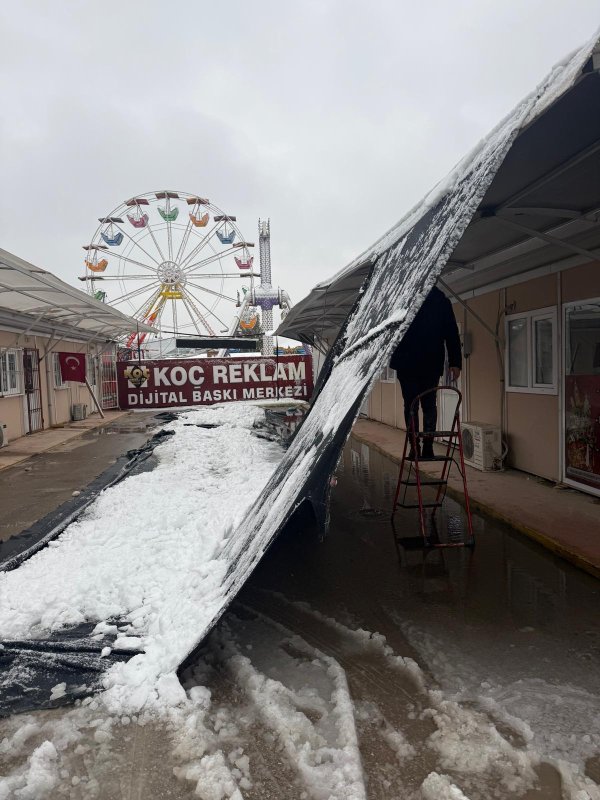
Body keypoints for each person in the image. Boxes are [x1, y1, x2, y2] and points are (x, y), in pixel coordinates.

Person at [390, 285, 462, 459]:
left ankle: (419, 447)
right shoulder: (438, 299)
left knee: (413, 405)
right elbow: (452, 332)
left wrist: (455, 362)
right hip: (425, 361)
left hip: (410, 362)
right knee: (425, 404)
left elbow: (451, 332)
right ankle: (422, 447)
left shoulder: (404, 297)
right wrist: (455, 362)